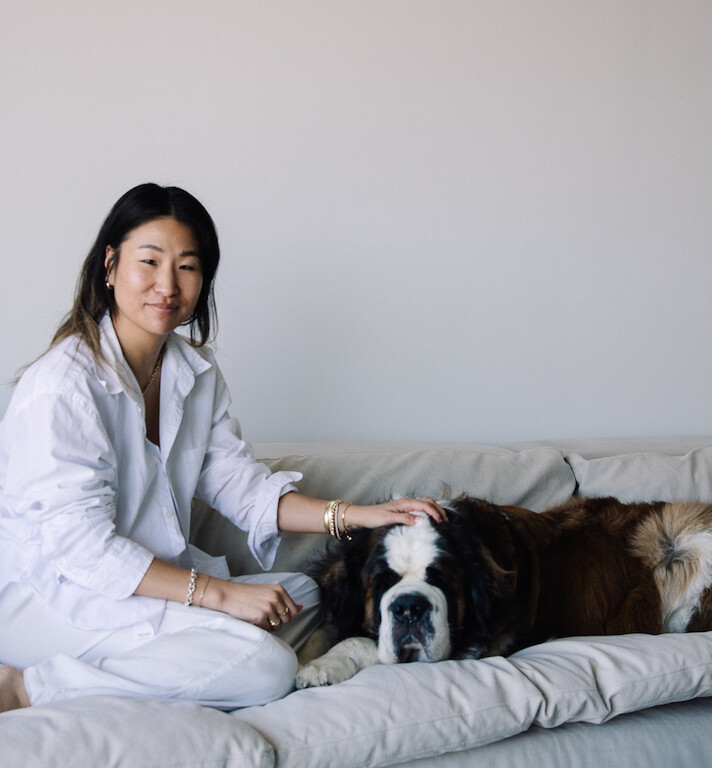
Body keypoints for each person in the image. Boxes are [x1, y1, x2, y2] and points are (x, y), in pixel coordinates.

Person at [0, 183, 446, 713]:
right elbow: (83, 551)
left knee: (306, 598)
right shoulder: (63, 386)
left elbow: (239, 486)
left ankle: (179, 664)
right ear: (111, 264)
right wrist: (218, 595)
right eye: (150, 261)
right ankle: (28, 688)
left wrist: (361, 514)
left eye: (187, 267)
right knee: (268, 667)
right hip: (54, 599)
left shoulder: (194, 371)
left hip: (154, 588)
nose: (167, 285)